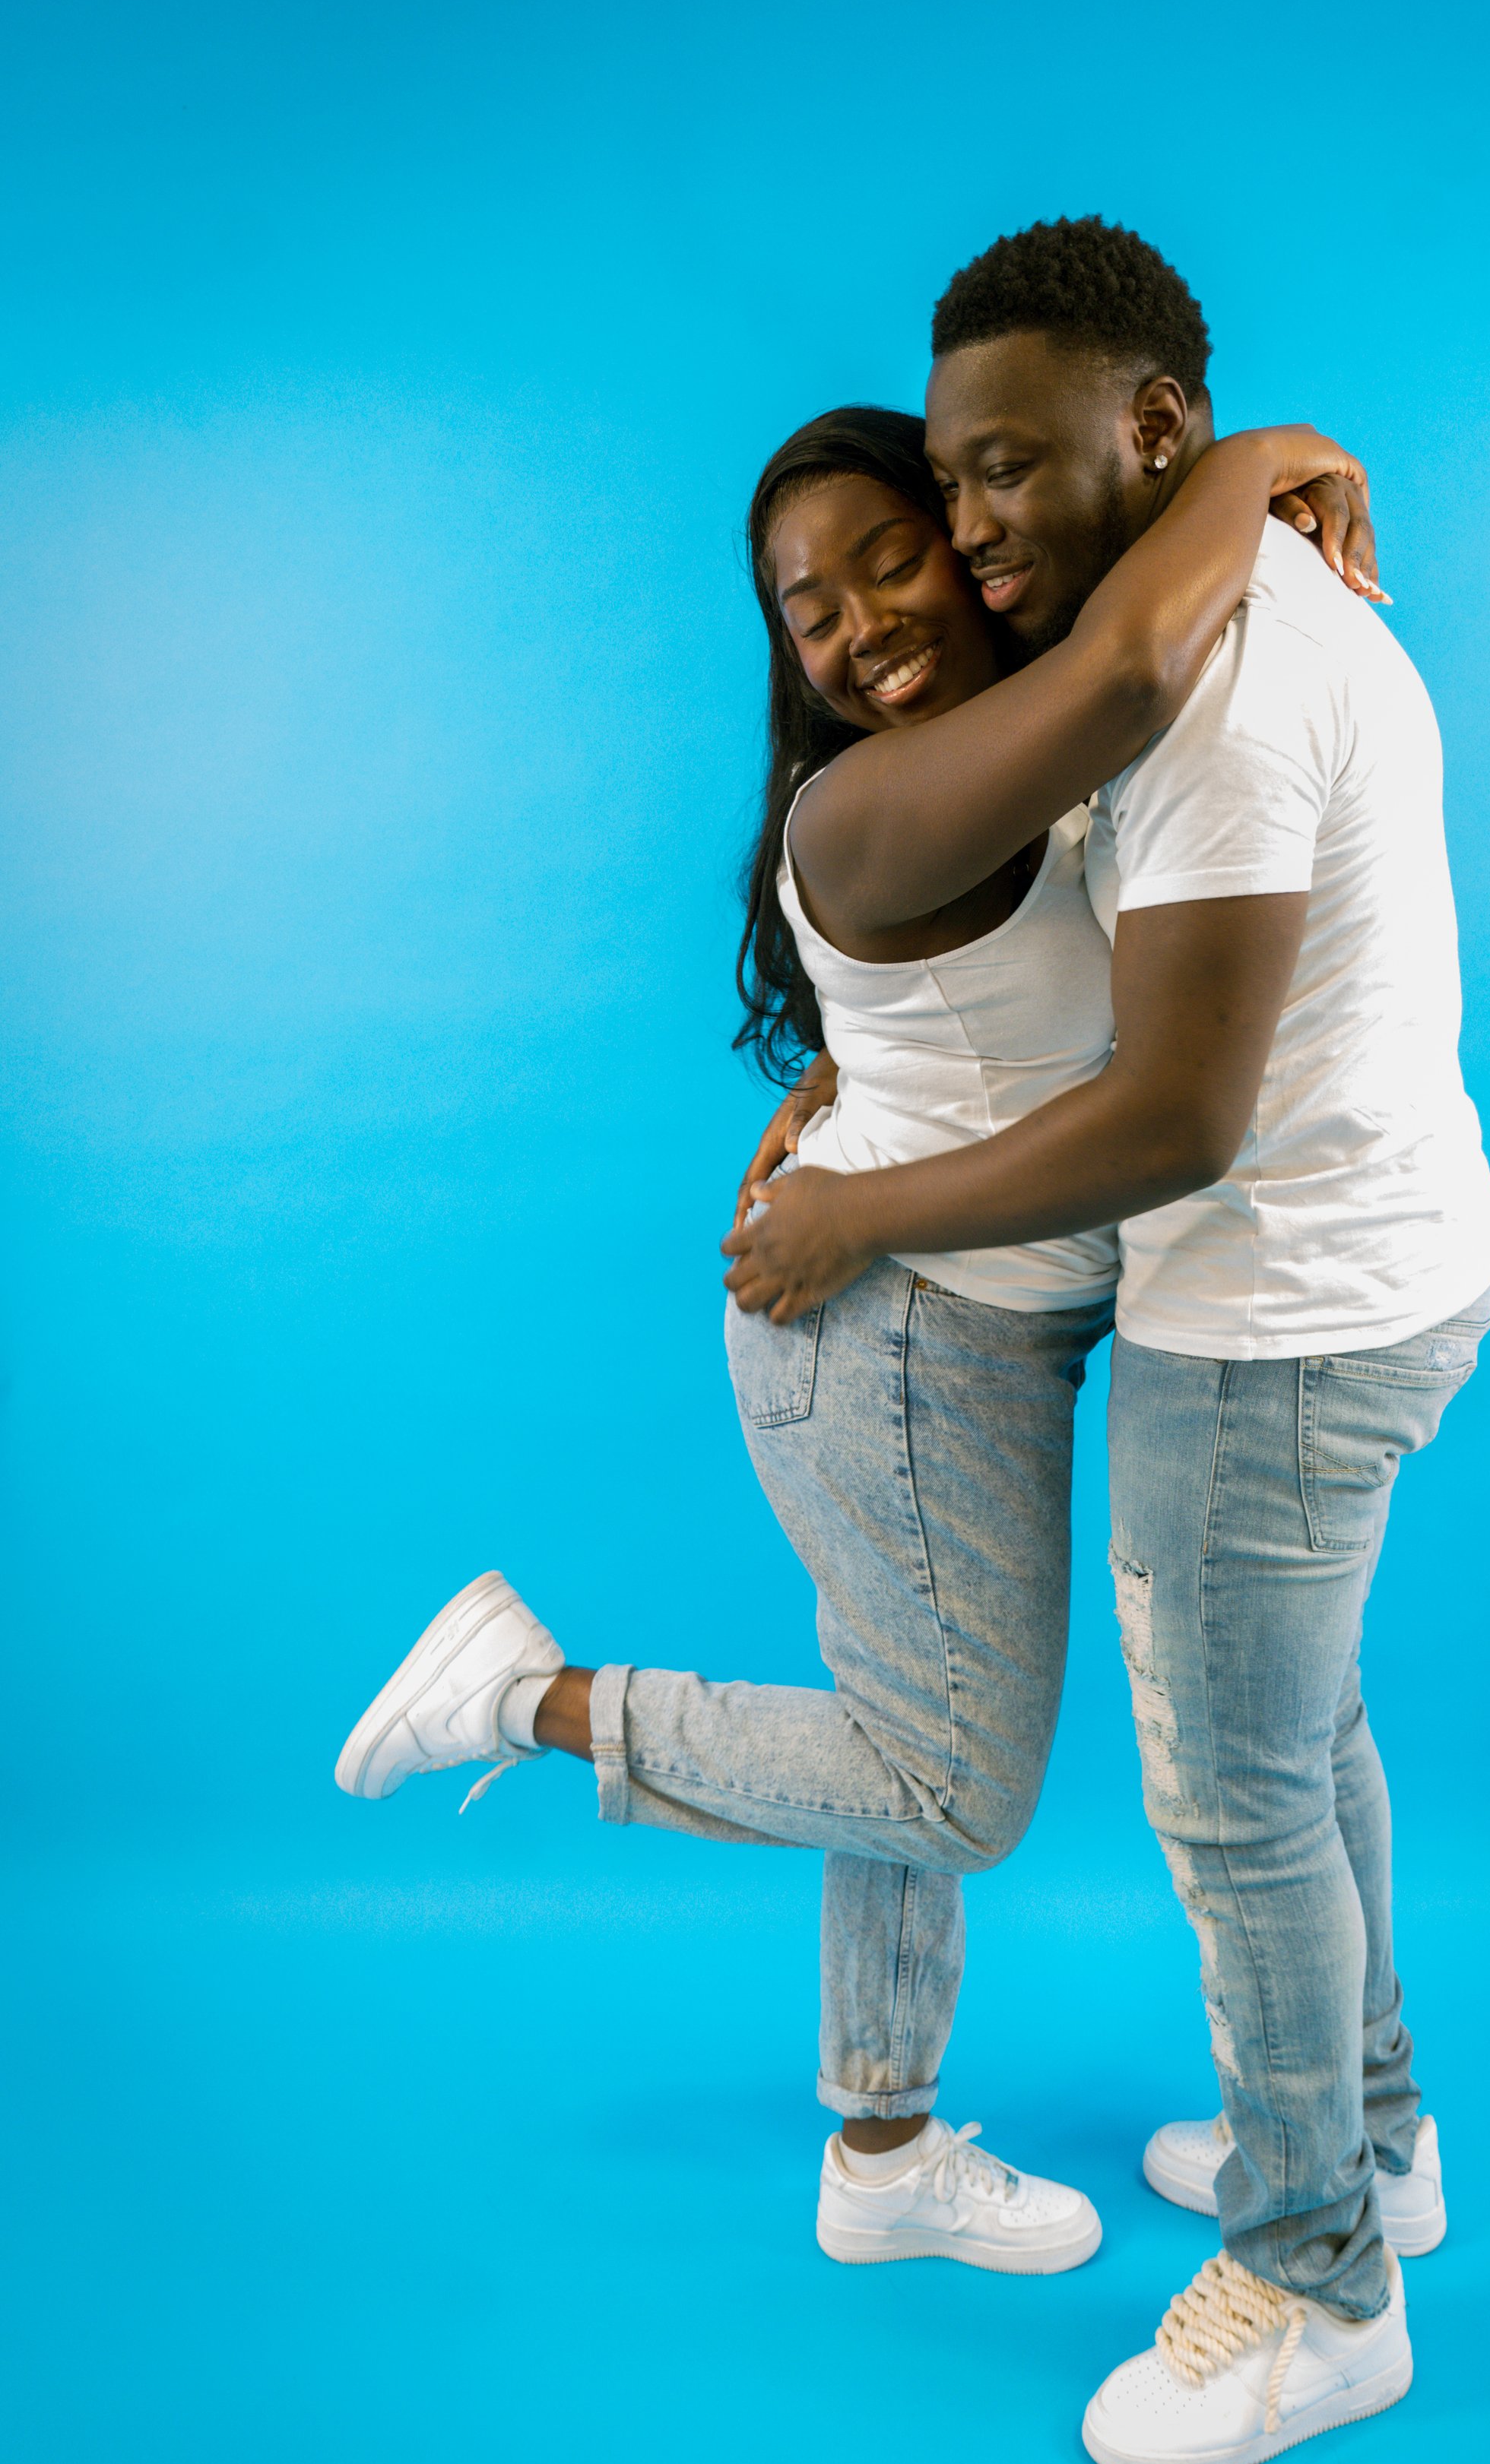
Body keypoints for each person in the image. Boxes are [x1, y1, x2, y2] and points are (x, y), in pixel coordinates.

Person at [335, 396, 1381, 2285]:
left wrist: (848, 1074)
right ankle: (525, 1699)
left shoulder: (998, 749)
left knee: (900, 1712)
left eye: (886, 559)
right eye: (806, 612)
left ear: (966, 546)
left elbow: (1003, 986)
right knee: (945, 1781)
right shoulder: (874, 797)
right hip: (890, 1344)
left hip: (954, 1322)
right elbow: (1140, 653)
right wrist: (1274, 454)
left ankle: (882, 2154)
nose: (856, 625)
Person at [724, 217, 1490, 2464]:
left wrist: (857, 1199)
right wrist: (1264, 456)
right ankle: (1371, 2138)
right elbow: (964, 972)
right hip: (1375, 1259)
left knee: (1237, 1792)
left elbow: (1167, 1110)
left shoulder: (1204, 680)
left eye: (992, 476)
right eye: (940, 487)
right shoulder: (1205, 608)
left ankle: (1316, 2279)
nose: (962, 536)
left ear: (1149, 438)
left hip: (1268, 1311)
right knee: (1305, 1732)